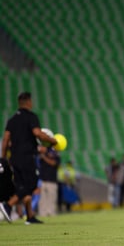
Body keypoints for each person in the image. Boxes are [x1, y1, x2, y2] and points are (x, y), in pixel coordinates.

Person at [0, 92, 57, 224]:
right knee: (31, 184)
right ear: (28, 102)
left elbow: (6, 139)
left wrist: (3, 158)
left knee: (22, 187)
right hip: (26, 156)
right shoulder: (31, 117)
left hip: (14, 158)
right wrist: (52, 141)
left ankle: (29, 216)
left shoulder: (12, 119)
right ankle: (8, 205)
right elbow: (38, 133)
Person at [38, 146, 60, 216]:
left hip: (52, 182)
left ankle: (51, 214)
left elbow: (53, 163)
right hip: (43, 181)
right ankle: (42, 214)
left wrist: (44, 157)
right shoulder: (42, 157)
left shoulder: (57, 158)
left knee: (51, 199)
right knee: (42, 200)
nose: (51, 154)